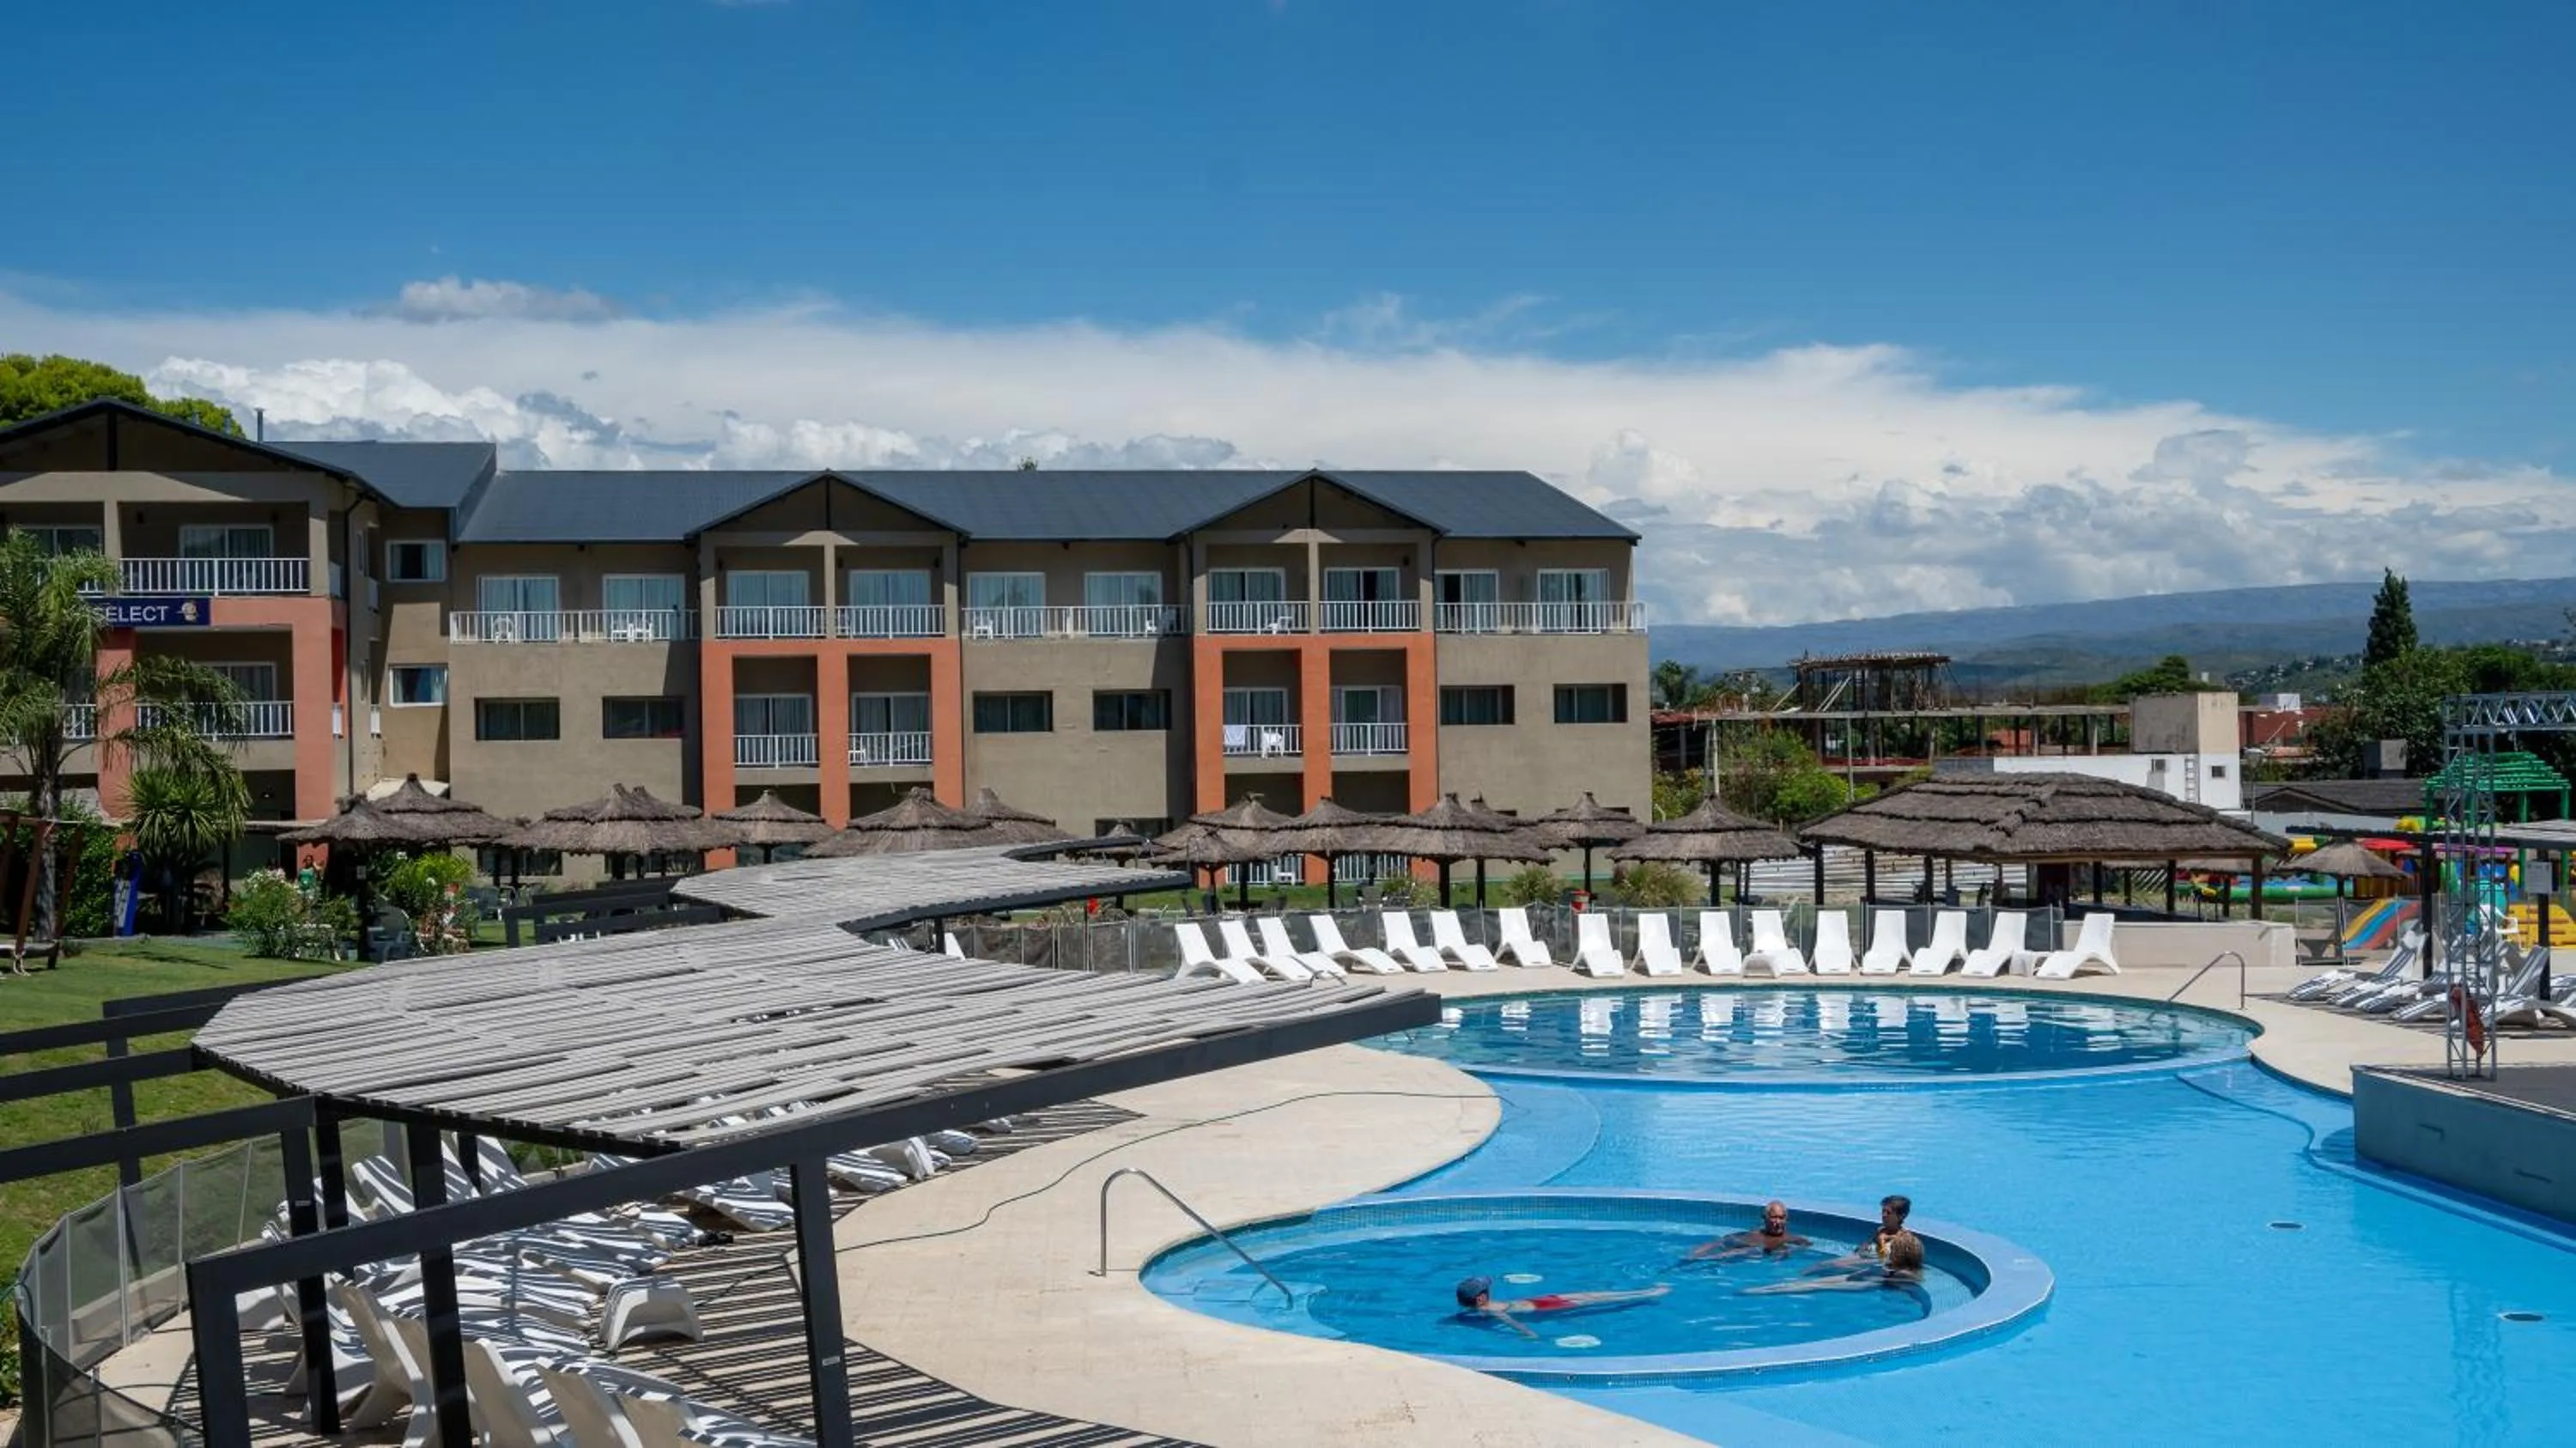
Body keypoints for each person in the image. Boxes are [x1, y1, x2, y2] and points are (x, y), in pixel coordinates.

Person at [1454, 1277, 1671, 1340]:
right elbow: (1509, 1321)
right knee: (1594, 1299)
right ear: (1481, 1298)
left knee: (1592, 1297)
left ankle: (1645, 1292)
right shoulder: (1491, 1310)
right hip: (1544, 1306)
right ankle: (1647, 1294)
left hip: (1540, 1301)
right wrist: (1528, 1333)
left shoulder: (1477, 1311)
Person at [1744, 1230, 1926, 1295]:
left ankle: (1758, 1291)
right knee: (1809, 1284)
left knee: (1814, 1286)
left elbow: (1905, 1277)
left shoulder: (1908, 1273)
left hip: (1869, 1283)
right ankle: (1763, 1289)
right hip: (1865, 1278)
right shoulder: (1901, 1267)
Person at [1686, 1200, 1812, 1261]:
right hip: (1741, 1248)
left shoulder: (1792, 1239)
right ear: (1765, 1218)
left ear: (1786, 1219)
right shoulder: (1754, 1234)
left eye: (1781, 1218)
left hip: (1750, 1255)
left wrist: (1787, 1252)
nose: (1778, 1222)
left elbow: (1806, 1245)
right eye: (1774, 1217)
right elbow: (1722, 1241)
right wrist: (1697, 1252)